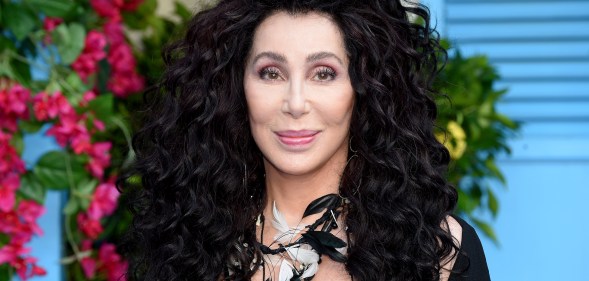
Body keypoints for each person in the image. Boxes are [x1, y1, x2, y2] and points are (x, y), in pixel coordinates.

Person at [118, 0, 491, 280]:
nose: (295, 103)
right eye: (271, 73)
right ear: (235, 88)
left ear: (365, 90)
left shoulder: (438, 251)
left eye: (324, 73)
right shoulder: (184, 242)